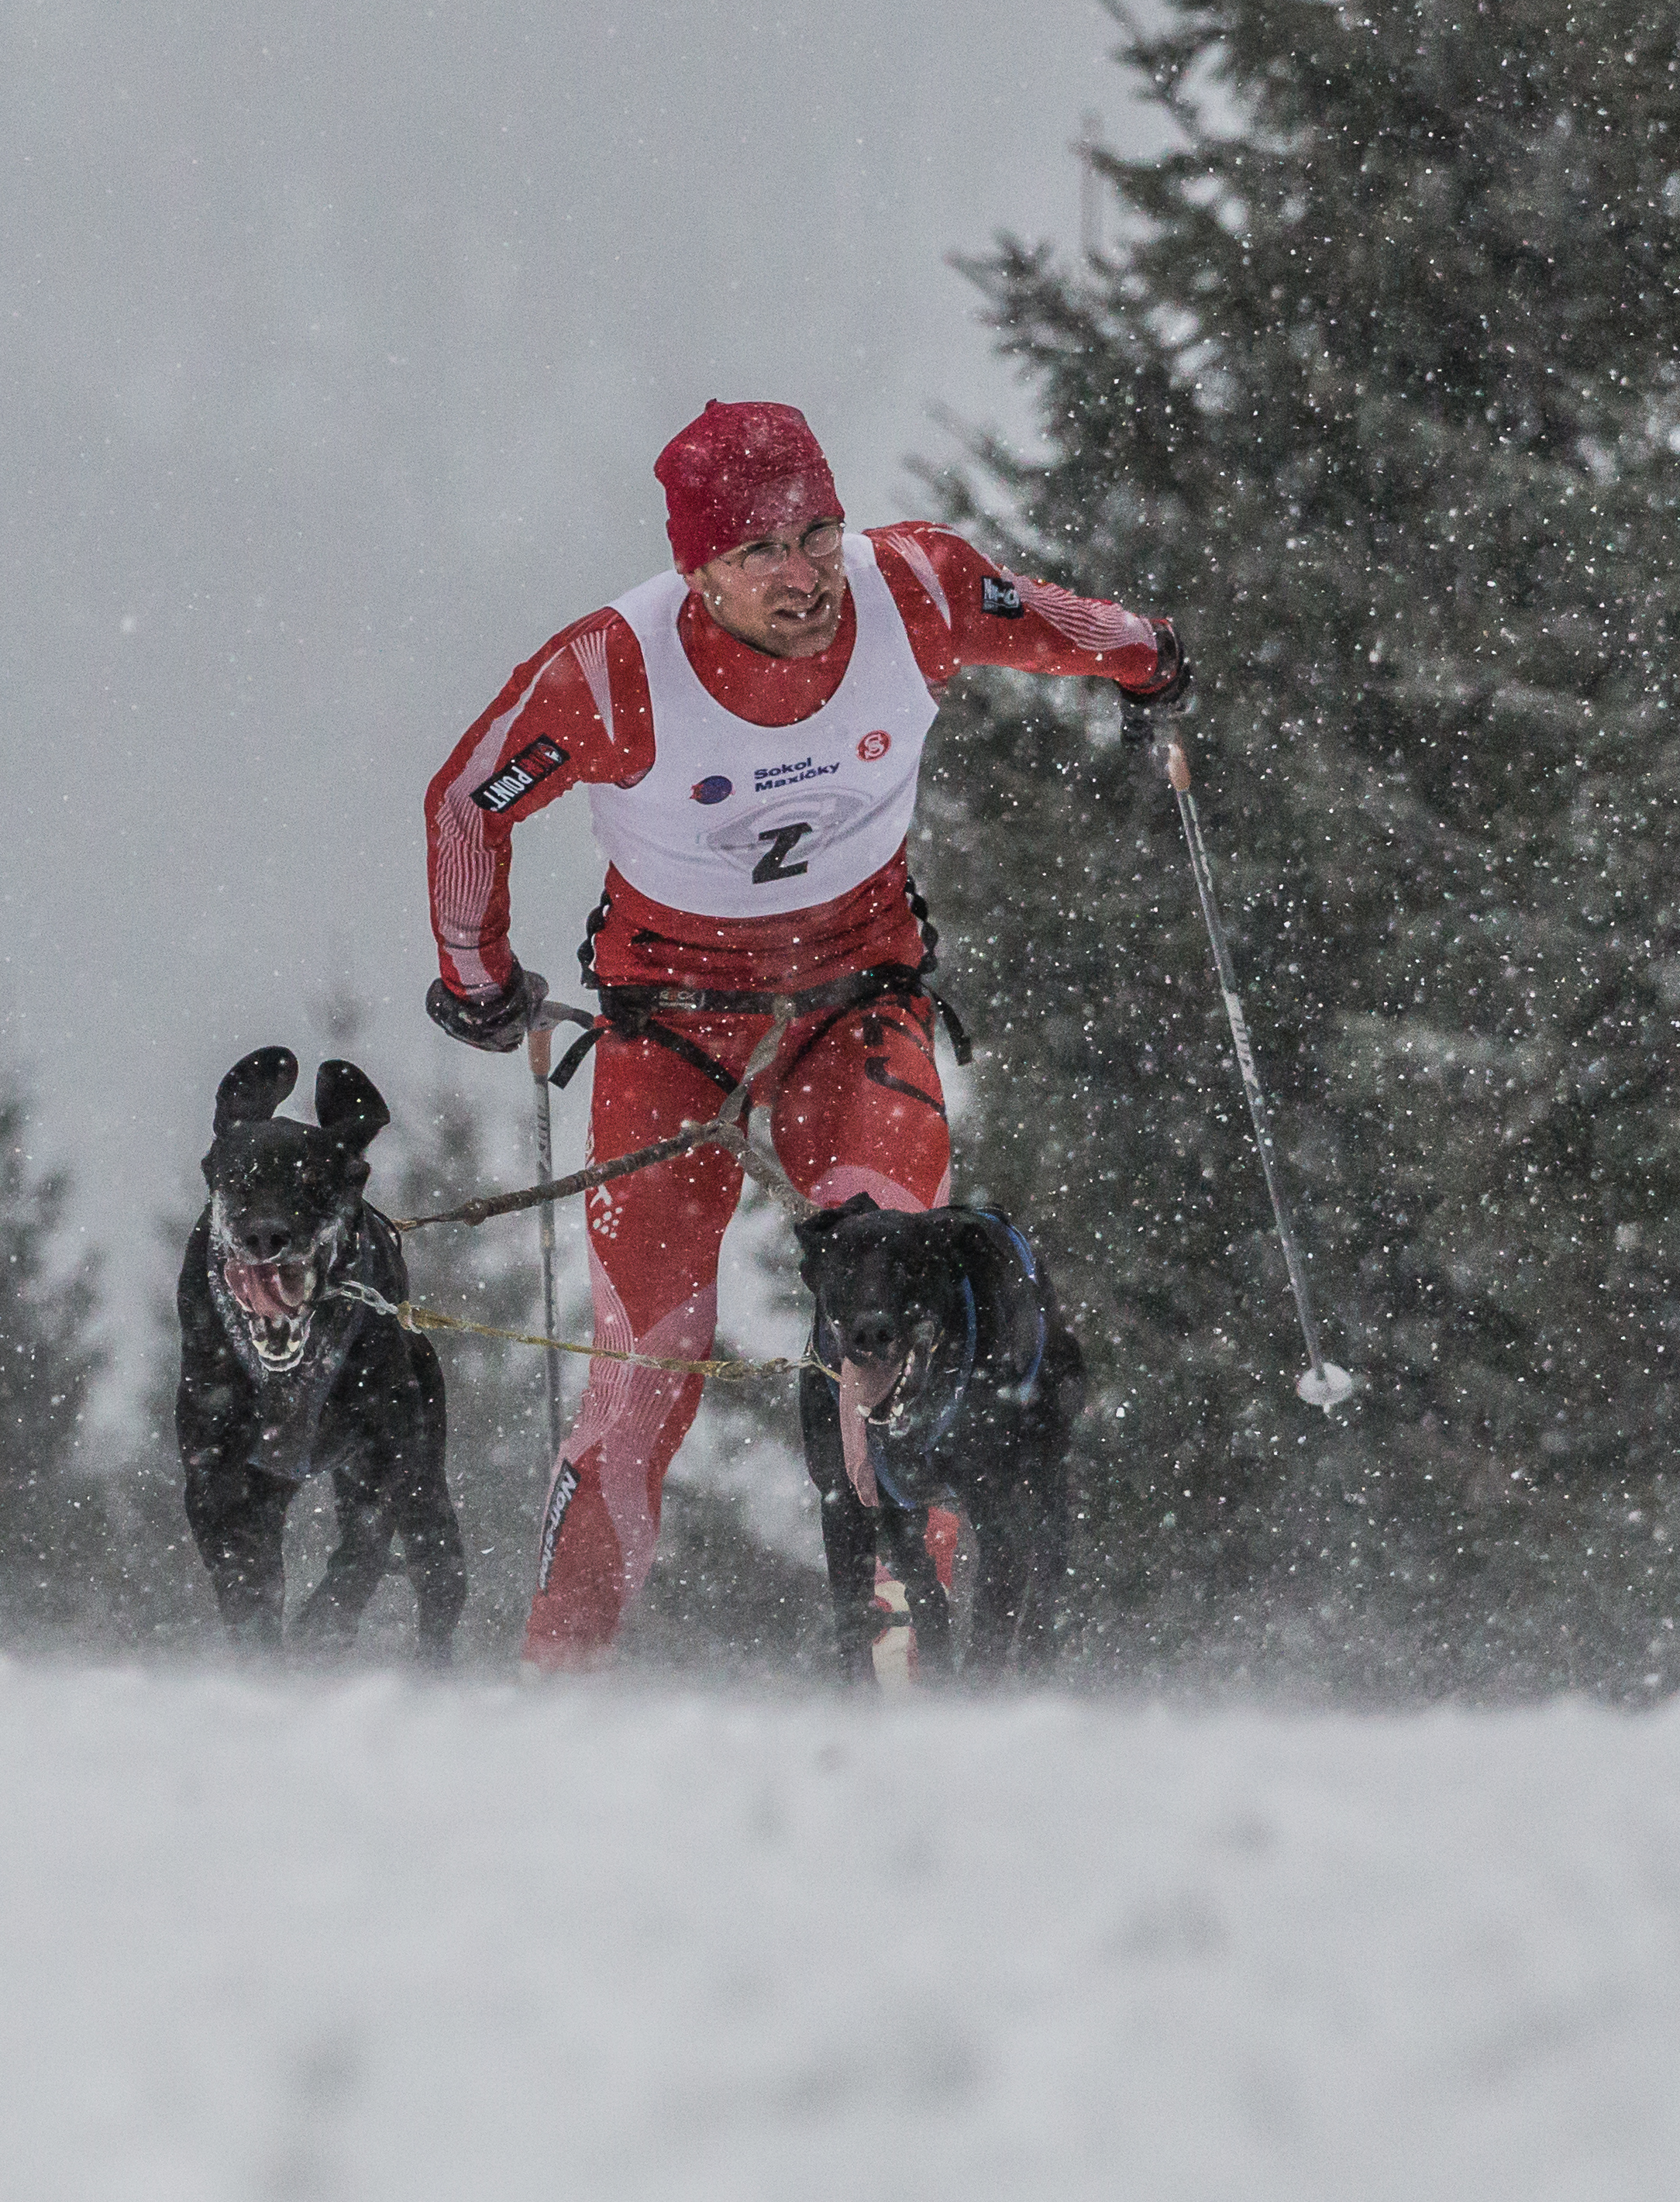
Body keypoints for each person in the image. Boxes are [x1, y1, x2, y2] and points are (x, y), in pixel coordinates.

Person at [419, 398, 1183, 1668]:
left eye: (818, 533)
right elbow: (464, 803)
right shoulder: (613, 668)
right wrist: (477, 975)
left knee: (900, 1329)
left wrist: (1145, 655)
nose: (805, 575)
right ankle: (554, 1680)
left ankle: (899, 1660)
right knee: (646, 1372)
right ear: (696, 567)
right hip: (669, 1033)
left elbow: (1043, 621)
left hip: (854, 1008)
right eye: (762, 552)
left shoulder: (912, 589)